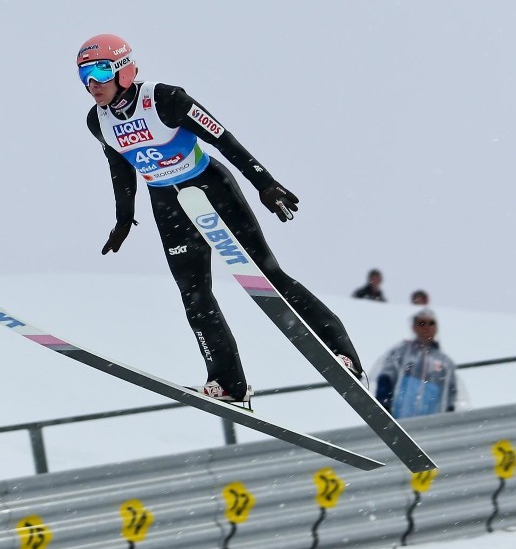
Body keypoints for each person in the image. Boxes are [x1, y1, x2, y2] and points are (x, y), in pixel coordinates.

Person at [77, 33, 363, 405]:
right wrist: (123, 220)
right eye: (84, 75)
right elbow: (120, 167)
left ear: (123, 70)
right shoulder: (97, 122)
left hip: (210, 187)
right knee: (194, 295)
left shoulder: (165, 99)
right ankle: (228, 382)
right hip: (167, 202)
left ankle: (344, 356)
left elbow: (222, 139)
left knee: (267, 276)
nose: (92, 83)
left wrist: (265, 183)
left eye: (100, 71)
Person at [372, 308, 458, 419]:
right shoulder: (401, 352)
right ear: (414, 327)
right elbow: (386, 377)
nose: (427, 327)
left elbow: (451, 395)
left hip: (430, 425)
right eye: (422, 323)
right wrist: (384, 405)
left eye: (431, 323)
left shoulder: (445, 362)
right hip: (398, 421)